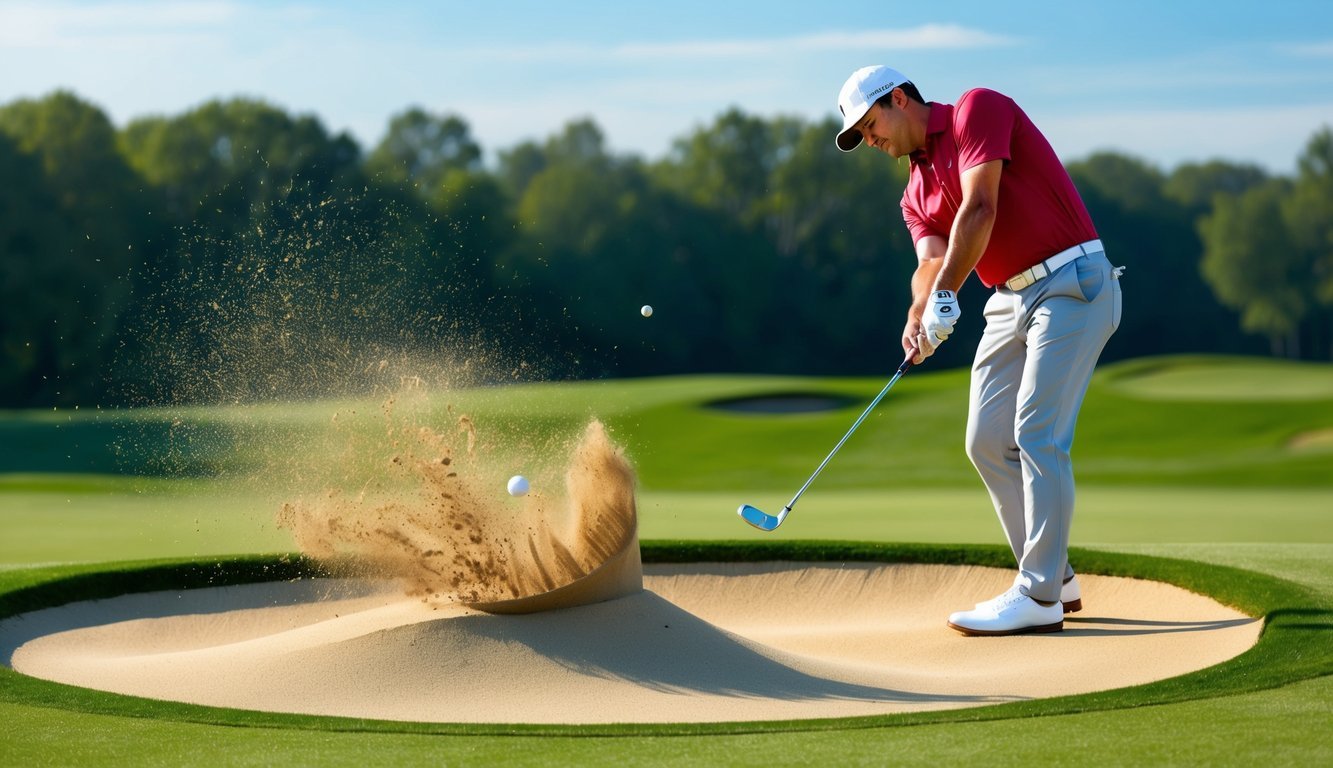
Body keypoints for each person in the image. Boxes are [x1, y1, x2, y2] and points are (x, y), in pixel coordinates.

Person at [835, 65, 1123, 636]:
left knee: (1036, 432)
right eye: (863, 136)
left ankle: (1038, 593)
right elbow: (928, 262)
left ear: (898, 99)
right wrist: (920, 312)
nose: (872, 142)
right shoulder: (913, 193)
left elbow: (981, 207)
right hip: (1008, 298)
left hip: (1072, 282)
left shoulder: (977, 109)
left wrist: (946, 293)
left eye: (871, 126)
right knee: (986, 440)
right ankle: (1058, 578)